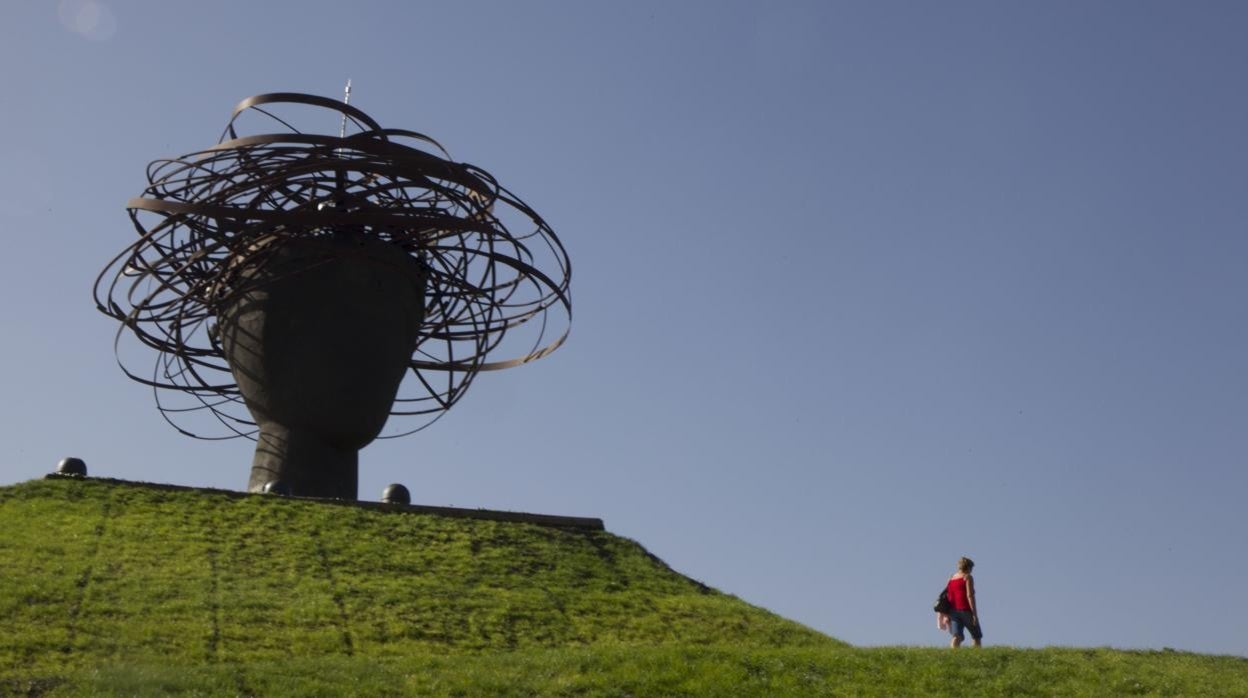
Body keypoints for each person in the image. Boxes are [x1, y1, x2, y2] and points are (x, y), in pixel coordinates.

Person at [946, 556, 982, 648]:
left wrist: (946, 614)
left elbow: (947, 596)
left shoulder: (951, 578)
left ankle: (952, 656)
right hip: (965, 609)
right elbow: (970, 596)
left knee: (956, 636)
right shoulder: (967, 577)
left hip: (953, 611)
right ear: (969, 568)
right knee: (976, 636)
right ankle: (977, 657)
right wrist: (974, 614)